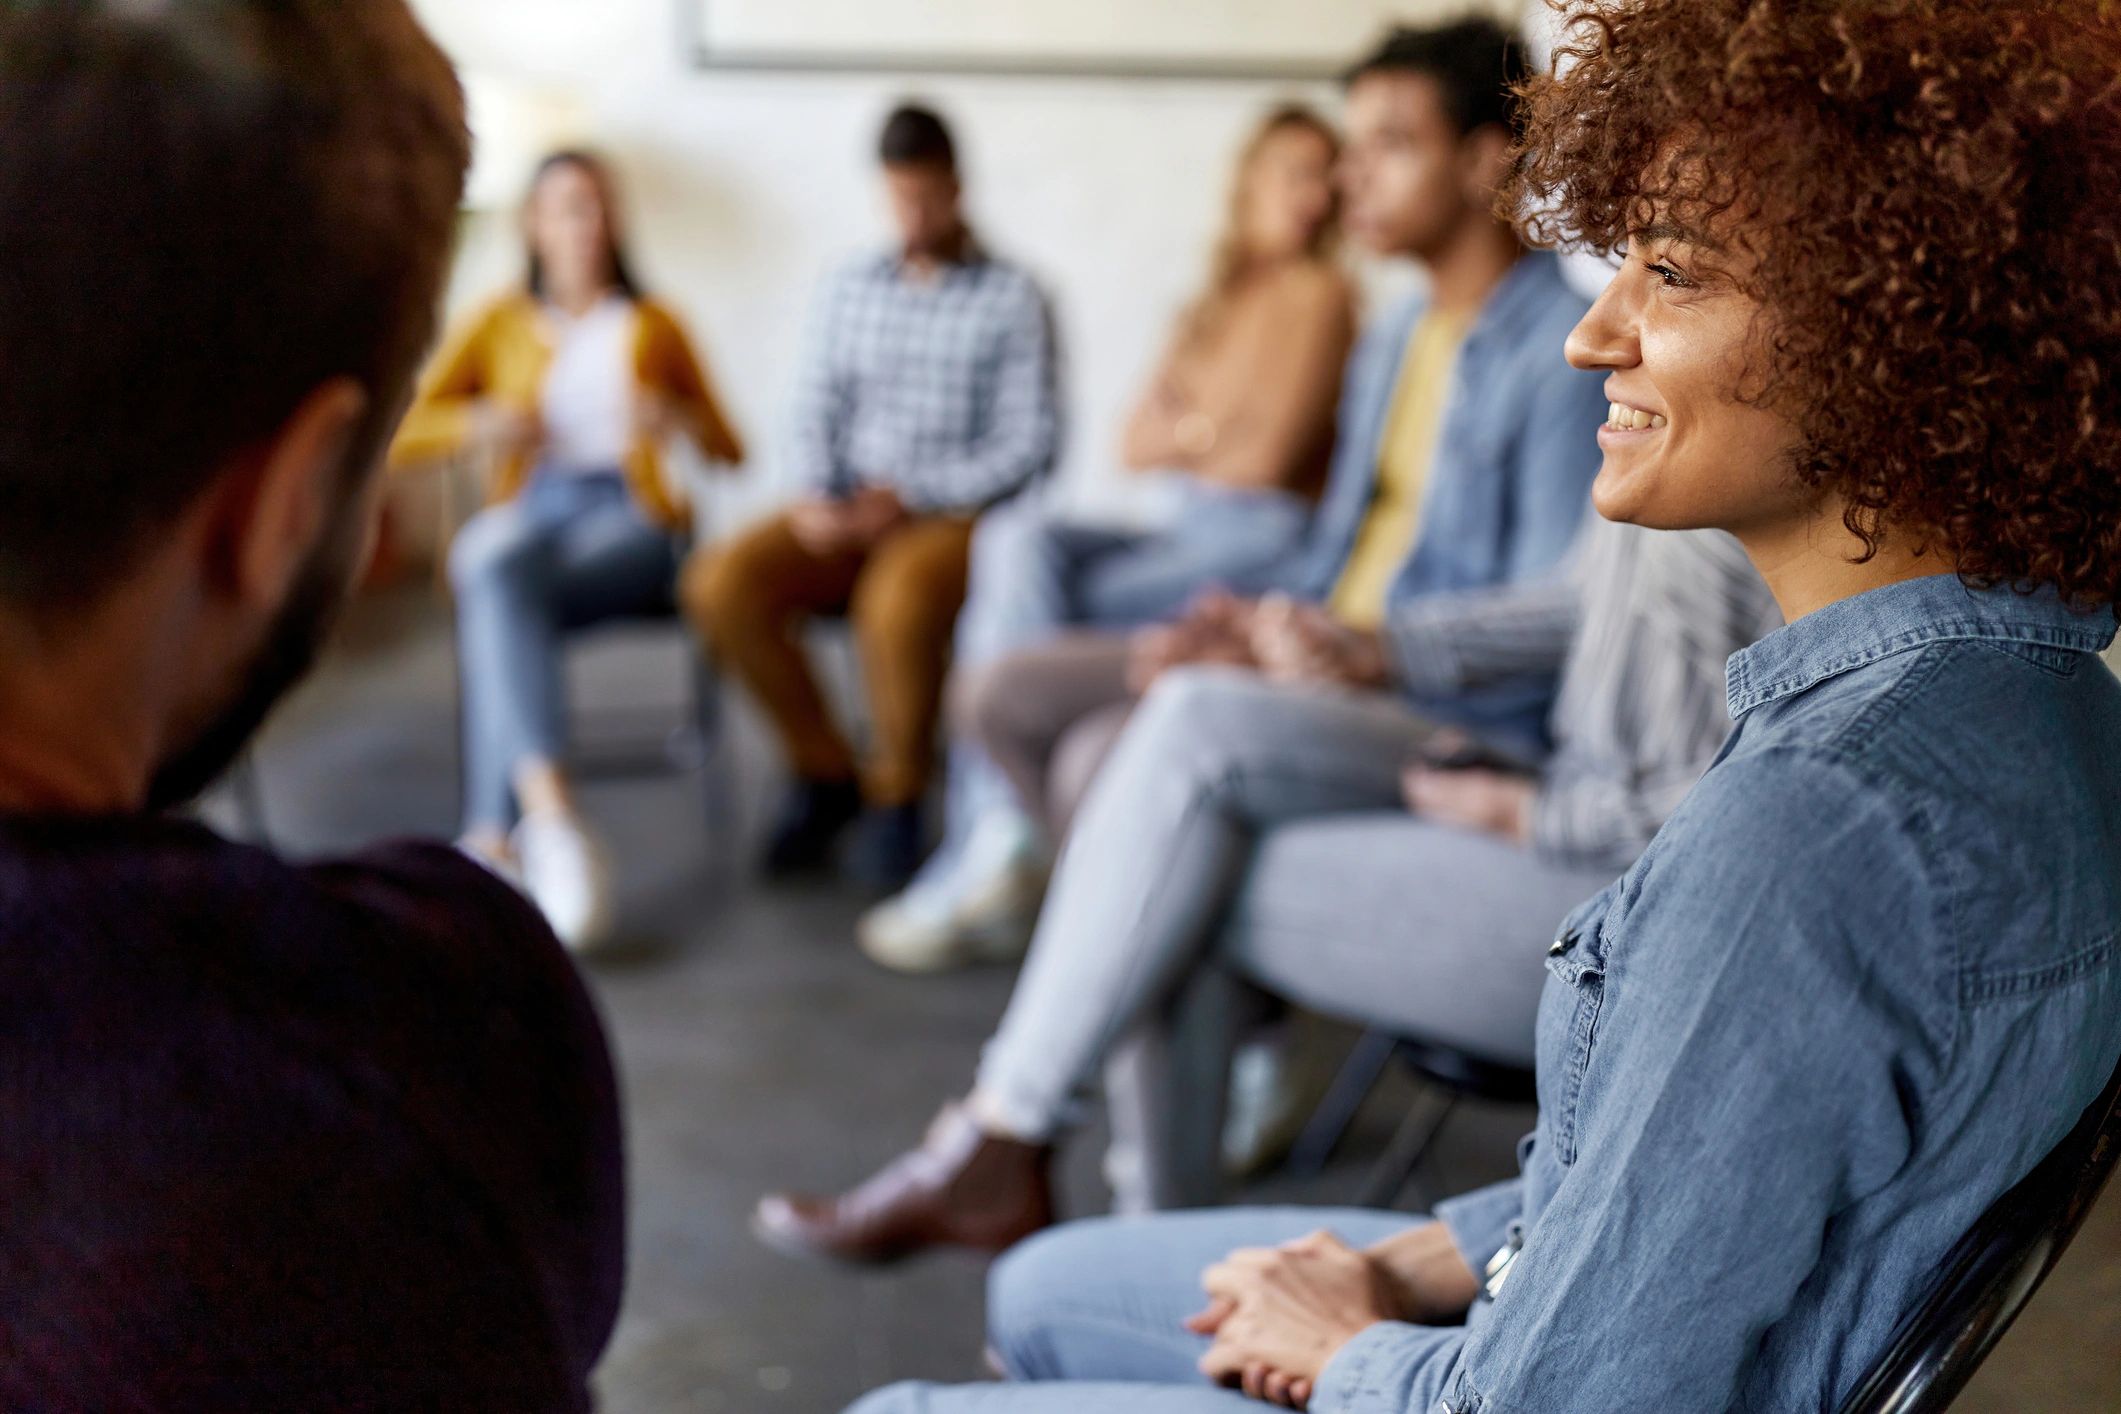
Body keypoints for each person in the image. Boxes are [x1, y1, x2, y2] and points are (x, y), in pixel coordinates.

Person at [844, 0, 2121, 1408]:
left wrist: (1347, 1346)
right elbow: (1684, 1178)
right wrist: (1414, 1260)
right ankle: (1023, 1136)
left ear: (1893, 326)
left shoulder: (1812, 834)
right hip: (1556, 1291)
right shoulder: (2042, 703)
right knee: (1044, 1281)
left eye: (1671, 273)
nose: (1593, 332)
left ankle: (1017, 1123)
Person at [0, 2, 624, 1409]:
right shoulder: (430, 1030)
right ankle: (535, 804)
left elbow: (716, 437)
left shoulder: (652, 331)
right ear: (286, 507)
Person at [758, 510, 1777, 1253]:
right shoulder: (1674, 418)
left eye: (1665, 269)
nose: (1598, 323)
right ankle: (1051, 1177)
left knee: (1178, 866)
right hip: (1551, 792)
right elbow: (1584, 607)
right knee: (1190, 736)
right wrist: (1370, 647)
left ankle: (1101, 1228)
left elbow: (1748, 812)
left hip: (1635, 908)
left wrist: (1529, 809)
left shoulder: (1769, 464)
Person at [859, 19, 1605, 965]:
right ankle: (1106, 937)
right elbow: (1324, 547)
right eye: (1351, 146)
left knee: (1099, 756)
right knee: (1001, 690)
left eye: (1390, 144)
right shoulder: (1395, 336)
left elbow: (1545, 629)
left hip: (1430, 707)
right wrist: (1249, 629)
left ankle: (1150, 1044)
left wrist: (1361, 653)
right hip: (1321, 647)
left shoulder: (1564, 349)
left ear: (1482, 161)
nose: (1348, 178)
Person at [860, 104, 1356, 970]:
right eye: (1291, 170)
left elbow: (1267, 459)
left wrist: (1193, 427)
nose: (1311, 193)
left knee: (1037, 601)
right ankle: (1005, 830)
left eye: (1325, 174)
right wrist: (1214, 432)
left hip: (1265, 540)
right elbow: (1132, 442)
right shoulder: (1215, 299)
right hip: (1182, 525)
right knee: (1016, 539)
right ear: (1248, 181)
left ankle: (995, 838)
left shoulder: (1323, 295)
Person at [682, 102, 1062, 888]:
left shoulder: (1014, 297)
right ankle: (825, 773)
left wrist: (912, 496)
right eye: (899, 199)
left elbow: (1028, 445)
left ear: (958, 188)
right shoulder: (849, 285)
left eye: (928, 198)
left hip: (949, 517)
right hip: (844, 505)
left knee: (894, 604)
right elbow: (813, 405)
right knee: (720, 583)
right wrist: (819, 495)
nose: (914, 218)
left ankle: (898, 791)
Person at [392, 149, 745, 951]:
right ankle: (549, 821)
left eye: (596, 207)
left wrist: (677, 421)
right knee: (495, 565)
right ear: (533, 225)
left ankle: (495, 839)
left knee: (491, 580)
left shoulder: (656, 324)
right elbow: (405, 431)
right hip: (533, 517)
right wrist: (478, 424)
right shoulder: (497, 321)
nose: (585, 225)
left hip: (633, 525)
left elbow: (731, 448)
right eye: (566, 207)